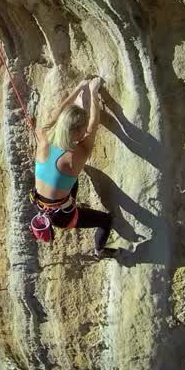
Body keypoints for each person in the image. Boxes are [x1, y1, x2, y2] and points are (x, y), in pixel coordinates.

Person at [33, 76, 117, 259]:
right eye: (82, 128)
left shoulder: (43, 137)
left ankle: (68, 198)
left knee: (71, 179)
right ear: (77, 132)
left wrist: (78, 88)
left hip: (42, 203)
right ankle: (99, 251)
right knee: (105, 220)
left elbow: (58, 113)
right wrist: (93, 93)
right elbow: (93, 126)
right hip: (62, 216)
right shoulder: (74, 157)